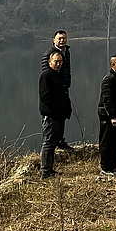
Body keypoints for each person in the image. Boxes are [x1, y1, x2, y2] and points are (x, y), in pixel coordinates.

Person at [38, 51, 72, 179]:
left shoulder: (58, 75)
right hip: (51, 115)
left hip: (59, 115)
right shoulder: (46, 76)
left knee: (53, 143)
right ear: (49, 62)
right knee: (49, 143)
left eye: (60, 62)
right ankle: (45, 171)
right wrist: (57, 109)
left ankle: (50, 169)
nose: (58, 64)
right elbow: (46, 97)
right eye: (56, 61)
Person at [40, 30, 74, 151]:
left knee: (62, 115)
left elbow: (67, 69)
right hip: (55, 89)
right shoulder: (48, 54)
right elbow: (47, 75)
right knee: (52, 121)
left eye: (64, 38)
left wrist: (66, 83)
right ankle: (51, 146)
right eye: (59, 38)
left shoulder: (66, 52)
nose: (62, 40)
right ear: (53, 39)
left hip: (64, 87)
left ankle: (60, 141)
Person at [97, 54, 116, 176]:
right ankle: (105, 167)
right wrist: (112, 116)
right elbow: (107, 100)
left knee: (115, 141)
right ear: (113, 65)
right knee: (106, 142)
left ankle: (113, 166)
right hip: (107, 116)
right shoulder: (108, 80)